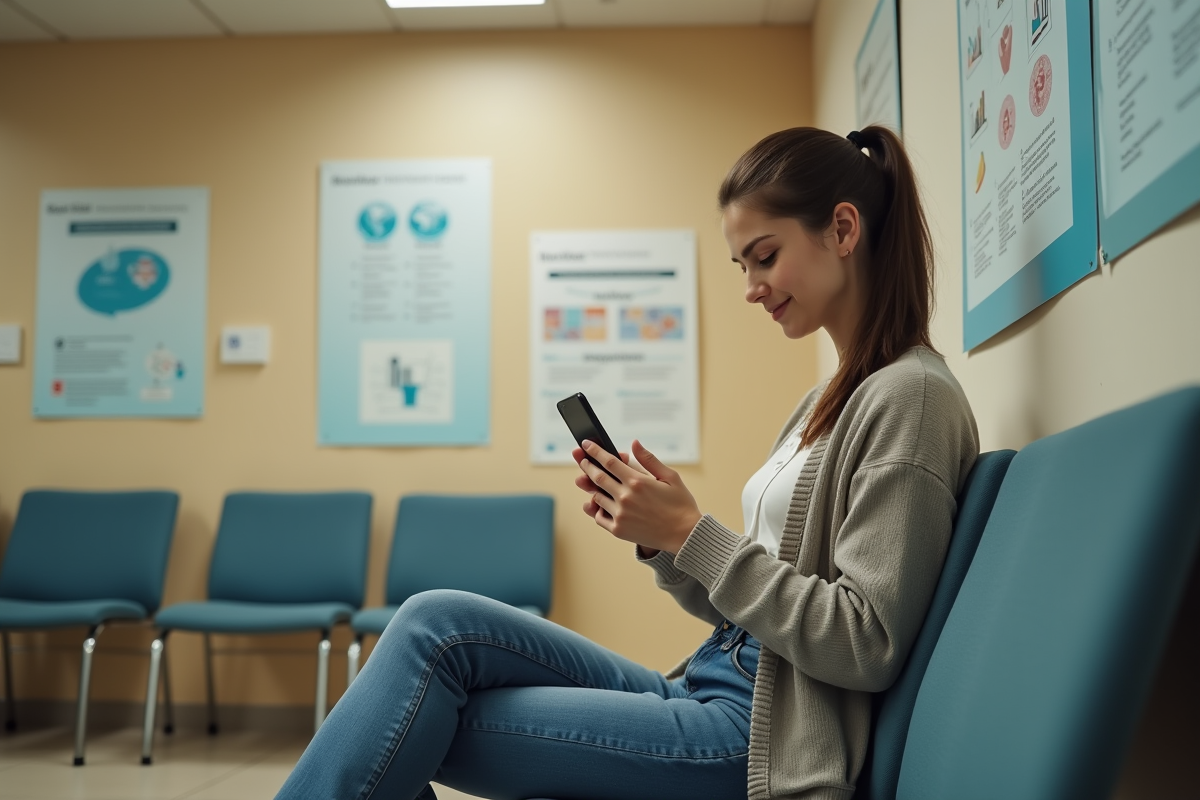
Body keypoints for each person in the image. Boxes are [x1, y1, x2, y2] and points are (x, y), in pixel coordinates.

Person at [275, 125, 979, 800]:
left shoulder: (910, 399)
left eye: (765, 256)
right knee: (434, 625)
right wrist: (664, 539)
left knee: (409, 715)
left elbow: (866, 641)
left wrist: (691, 534)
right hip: (720, 679)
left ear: (844, 230)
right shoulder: (827, 399)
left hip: (761, 735)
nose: (750, 288)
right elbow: (760, 599)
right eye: (741, 266)